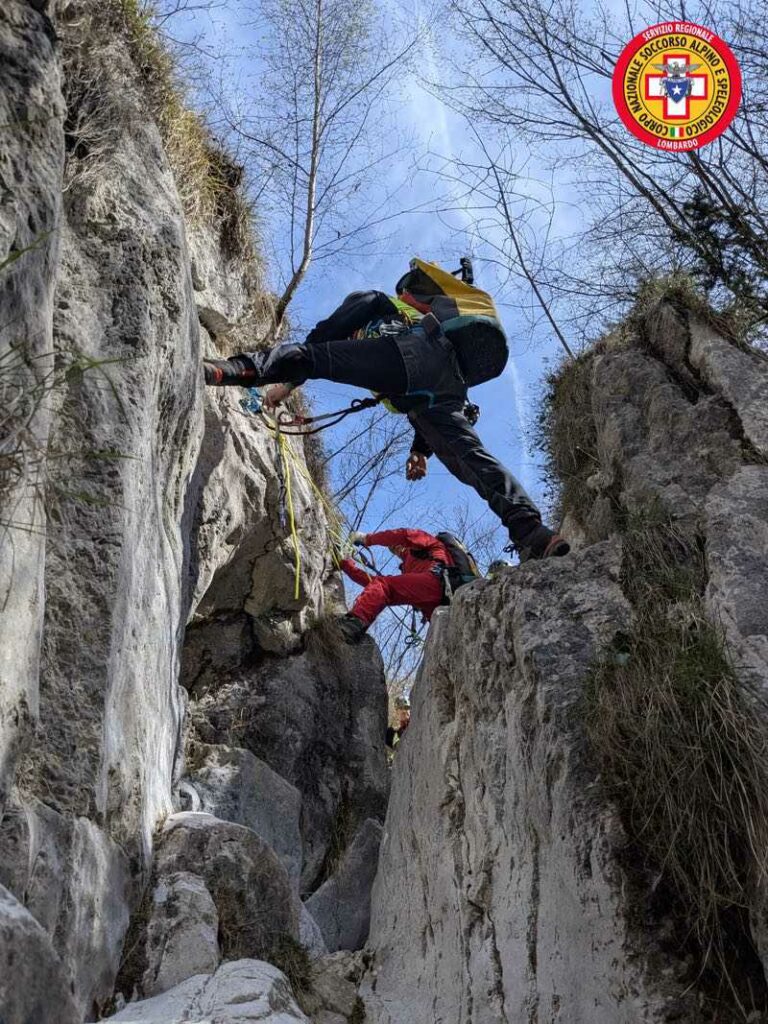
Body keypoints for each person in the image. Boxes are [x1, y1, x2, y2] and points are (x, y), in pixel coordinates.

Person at [203, 257, 569, 562]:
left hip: (414, 356)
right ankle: (533, 533)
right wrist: (419, 450)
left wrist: (291, 379)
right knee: (472, 459)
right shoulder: (426, 323)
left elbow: (324, 337)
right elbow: (417, 389)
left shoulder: (380, 303)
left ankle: (226, 370)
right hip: (446, 386)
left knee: (306, 356)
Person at [338, 527, 450, 642]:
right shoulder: (409, 565)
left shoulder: (431, 543)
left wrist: (366, 538)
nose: (396, 549)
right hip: (436, 604)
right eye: (392, 549)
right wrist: (346, 565)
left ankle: (354, 623)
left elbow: (404, 534)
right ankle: (354, 626)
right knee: (382, 586)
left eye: (396, 545)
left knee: (385, 585)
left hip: (437, 581)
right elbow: (374, 587)